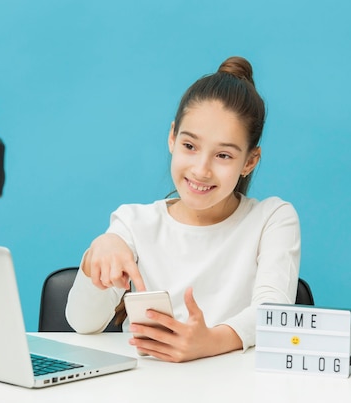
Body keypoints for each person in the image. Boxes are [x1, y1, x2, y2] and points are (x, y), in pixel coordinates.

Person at [66, 56, 300, 362]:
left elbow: (274, 312)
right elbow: (83, 324)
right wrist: (96, 254)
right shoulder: (133, 223)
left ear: (250, 162)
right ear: (172, 137)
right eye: (190, 146)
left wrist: (211, 342)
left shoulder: (272, 219)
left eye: (224, 155)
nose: (201, 170)